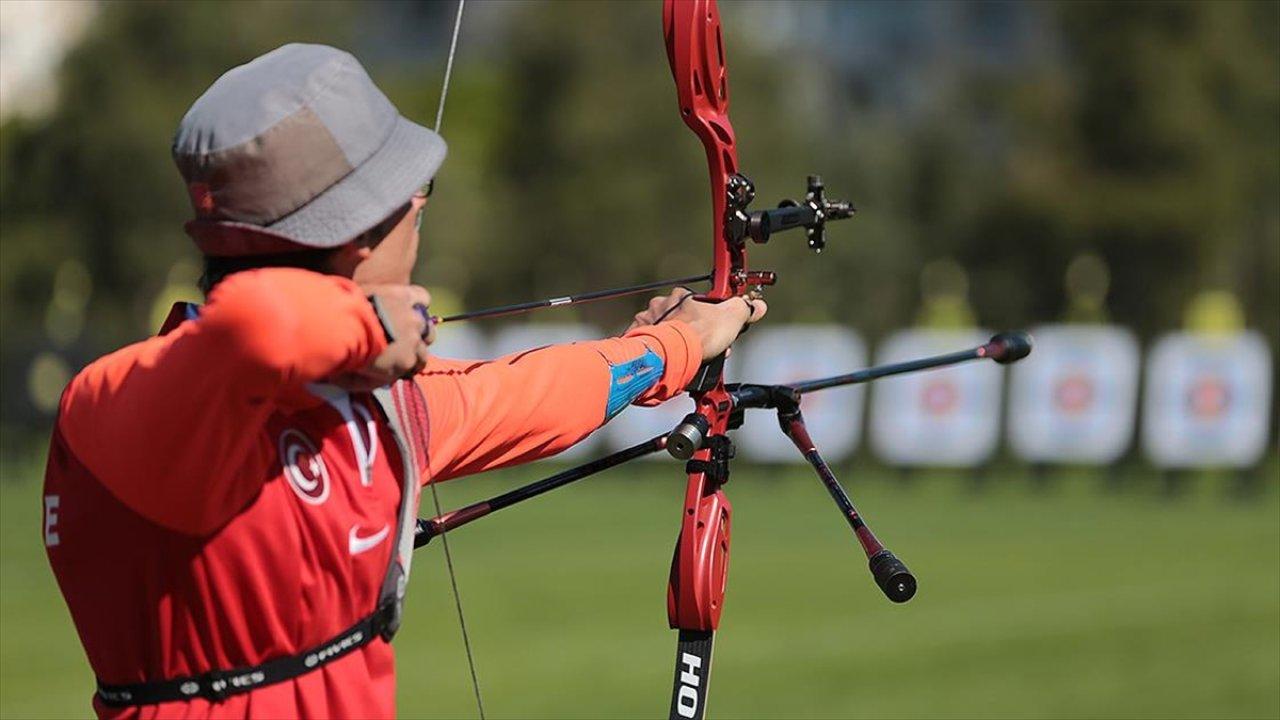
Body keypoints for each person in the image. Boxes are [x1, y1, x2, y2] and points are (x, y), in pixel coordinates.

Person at [41, 43, 763, 719]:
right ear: (359, 237)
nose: (421, 224)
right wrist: (369, 322)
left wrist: (671, 345)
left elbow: (527, 394)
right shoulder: (124, 405)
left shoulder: (374, 405)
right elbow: (256, 326)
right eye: (417, 202)